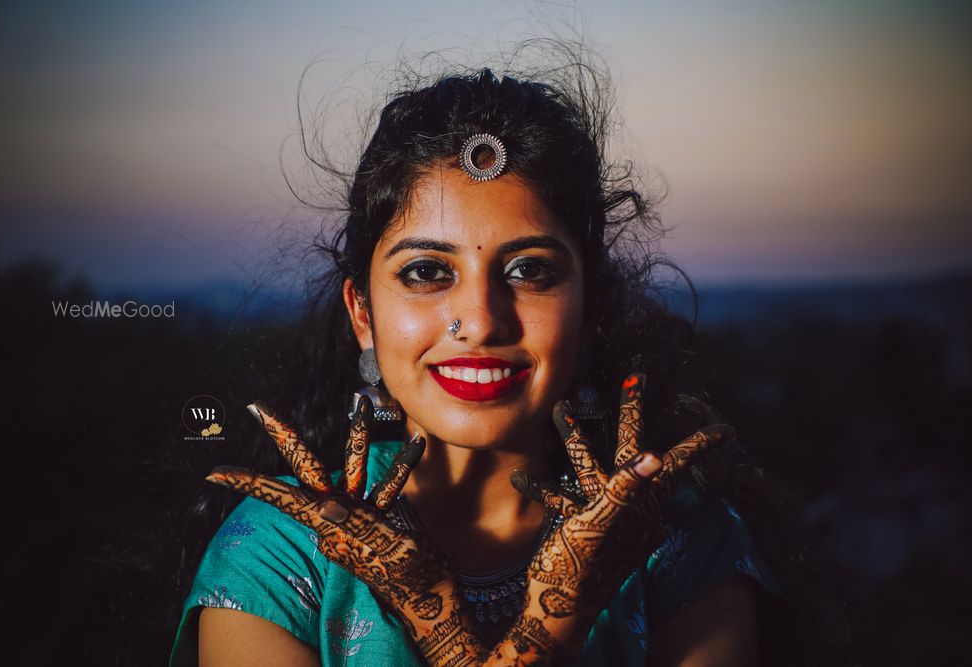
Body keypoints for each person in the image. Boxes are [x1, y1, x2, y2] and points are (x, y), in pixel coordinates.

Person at [169, 58, 791, 666]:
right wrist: (545, 626)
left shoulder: (675, 541)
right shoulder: (282, 552)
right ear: (363, 315)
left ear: (591, 312)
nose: (483, 322)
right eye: (427, 272)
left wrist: (539, 615)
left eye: (529, 271)